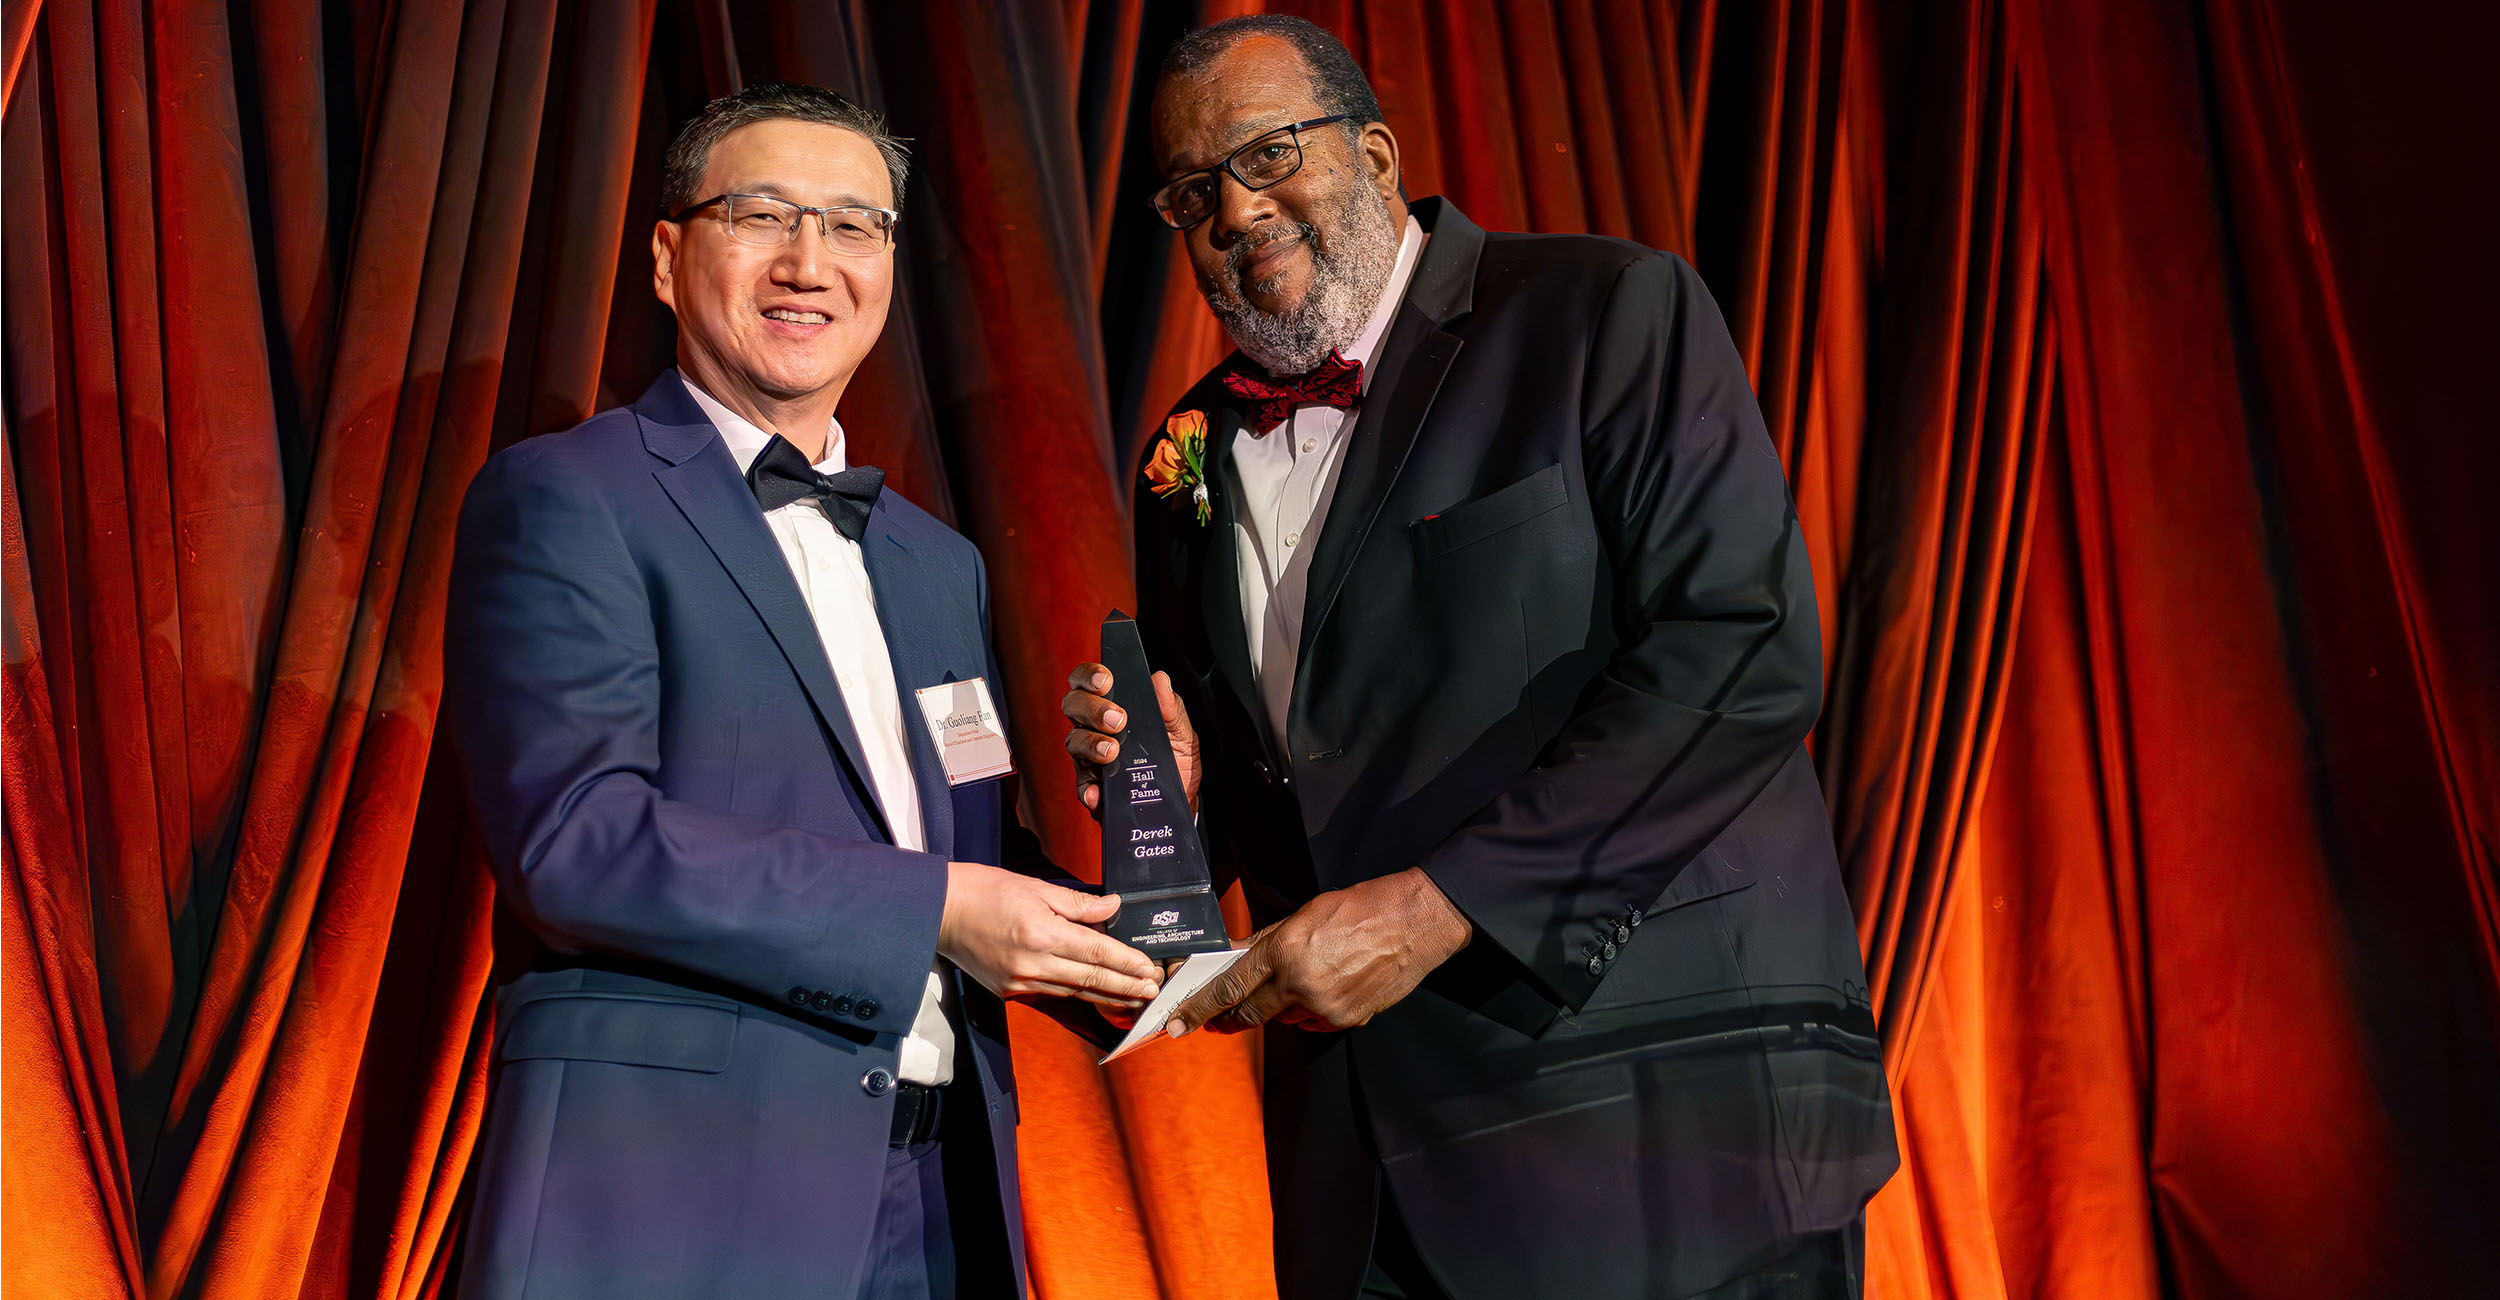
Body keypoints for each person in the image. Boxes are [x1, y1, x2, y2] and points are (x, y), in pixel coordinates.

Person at [1061, 17, 1898, 1300]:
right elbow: (1292, 778)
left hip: (1658, 1120)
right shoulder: (1182, 457)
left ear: (1378, 152)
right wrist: (1181, 793)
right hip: (1364, 1177)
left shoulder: (1604, 310)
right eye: (1193, 190)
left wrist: (1435, 906)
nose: (1235, 208)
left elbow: (1742, 648)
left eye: (1270, 152)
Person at [446, 82, 1159, 1300]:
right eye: (764, 215)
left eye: (854, 226)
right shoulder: (568, 494)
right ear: (669, 259)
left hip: (937, 1211)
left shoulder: (938, 564)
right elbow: (576, 841)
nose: (809, 263)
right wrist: (937, 905)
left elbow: (966, 862)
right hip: (672, 1206)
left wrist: (1159, 871)